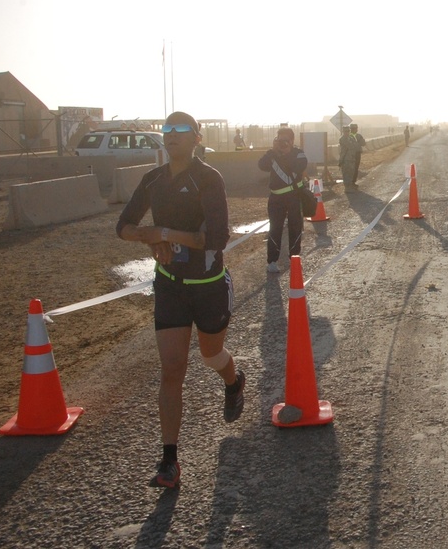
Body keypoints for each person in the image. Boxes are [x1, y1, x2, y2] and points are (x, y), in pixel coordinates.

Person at [116, 111, 244, 489]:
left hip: (209, 283)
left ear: (196, 137)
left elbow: (218, 237)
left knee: (210, 356)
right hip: (170, 284)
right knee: (172, 369)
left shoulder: (208, 178)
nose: (171, 135)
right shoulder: (153, 178)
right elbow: (122, 226)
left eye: (179, 130)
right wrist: (150, 239)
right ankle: (169, 460)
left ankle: (234, 381)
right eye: (166, 130)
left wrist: (166, 232)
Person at [258, 127, 308, 273]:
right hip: (276, 198)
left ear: (292, 141)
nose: (282, 144)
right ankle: (272, 261)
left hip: (294, 196)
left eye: (285, 141)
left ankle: (294, 257)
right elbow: (262, 166)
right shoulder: (272, 154)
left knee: (295, 227)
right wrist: (273, 152)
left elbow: (300, 166)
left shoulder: (298, 154)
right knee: (275, 228)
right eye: (279, 141)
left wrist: (285, 154)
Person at [338, 125, 358, 191]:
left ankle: (350, 185)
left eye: (348, 131)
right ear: (343, 131)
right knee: (346, 173)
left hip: (351, 158)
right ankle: (347, 187)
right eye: (346, 131)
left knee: (351, 172)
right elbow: (350, 146)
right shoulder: (343, 139)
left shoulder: (351, 138)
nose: (347, 132)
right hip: (345, 158)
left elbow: (355, 146)